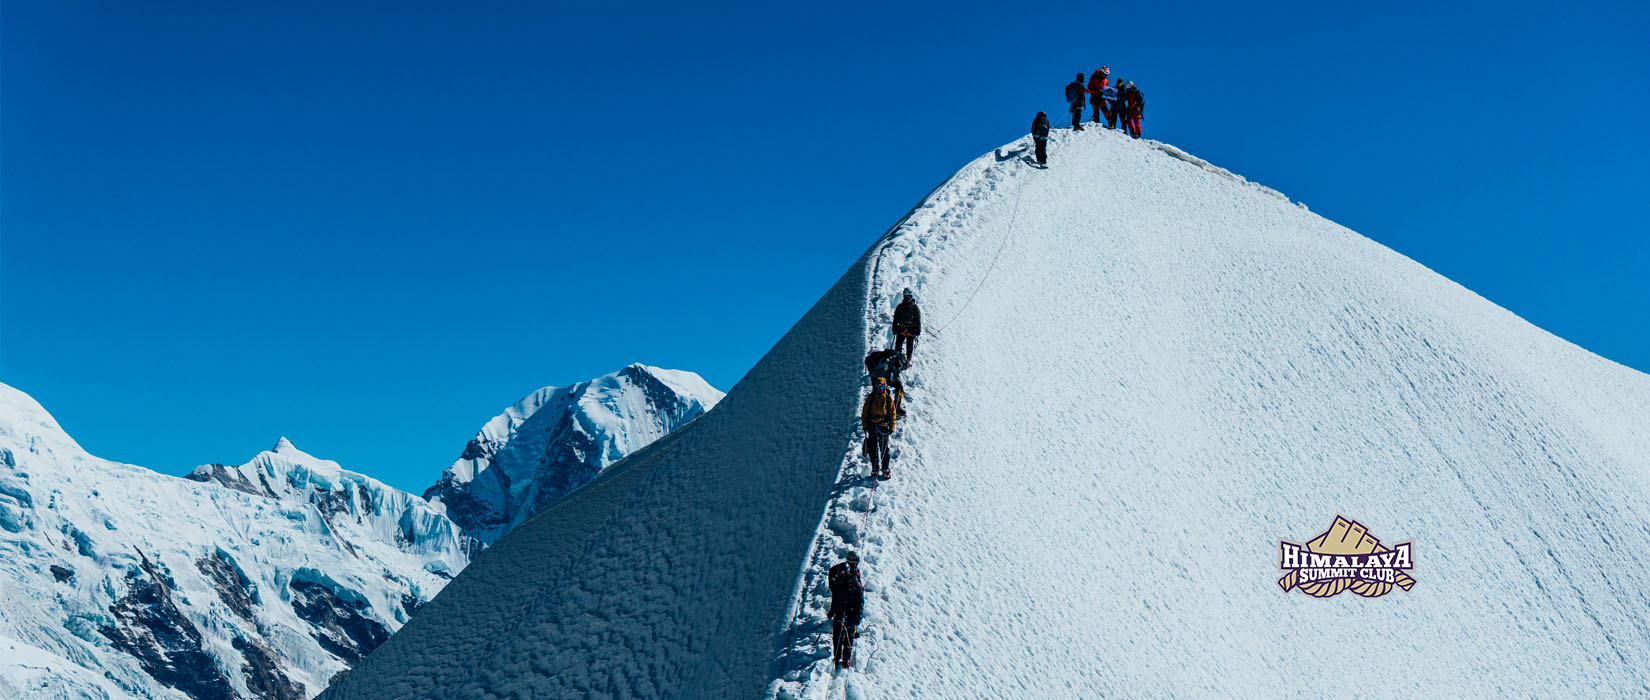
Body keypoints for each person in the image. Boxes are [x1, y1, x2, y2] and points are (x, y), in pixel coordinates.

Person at [828, 551, 865, 669]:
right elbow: (836, 594)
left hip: (849, 608)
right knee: (841, 632)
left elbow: (859, 600)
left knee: (846, 632)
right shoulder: (843, 579)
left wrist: (856, 618)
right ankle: (840, 657)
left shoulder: (847, 580)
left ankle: (843, 658)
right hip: (844, 607)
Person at [861, 378, 895, 480]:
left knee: (884, 448)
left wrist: (891, 427)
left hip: (883, 426)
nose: (880, 389)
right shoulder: (870, 398)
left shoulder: (888, 399)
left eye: (881, 386)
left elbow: (892, 413)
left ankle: (885, 468)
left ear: (884, 386)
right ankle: (875, 468)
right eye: (878, 386)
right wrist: (865, 425)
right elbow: (865, 412)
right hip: (872, 426)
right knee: (873, 448)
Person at [864, 348, 908, 417]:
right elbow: (882, 376)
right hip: (876, 374)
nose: (900, 366)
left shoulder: (895, 359)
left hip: (884, 373)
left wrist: (897, 382)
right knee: (881, 391)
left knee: (899, 386)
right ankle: (877, 409)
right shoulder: (886, 362)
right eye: (900, 364)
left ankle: (897, 406)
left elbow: (895, 372)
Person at [892, 288, 921, 361]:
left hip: (911, 330)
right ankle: (897, 361)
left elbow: (918, 320)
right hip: (901, 329)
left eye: (909, 297)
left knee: (909, 347)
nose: (907, 298)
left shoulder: (915, 308)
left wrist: (918, 330)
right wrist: (894, 328)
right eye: (906, 297)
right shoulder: (900, 307)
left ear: (911, 297)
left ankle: (907, 361)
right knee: (898, 346)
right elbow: (895, 319)